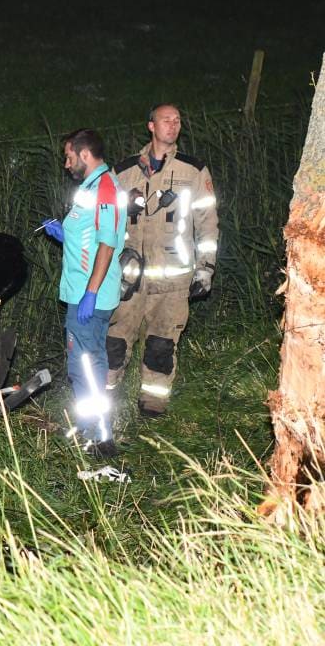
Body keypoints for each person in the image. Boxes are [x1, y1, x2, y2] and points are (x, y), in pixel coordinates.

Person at [105, 104, 219, 418]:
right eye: (166, 120)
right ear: (151, 126)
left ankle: (153, 406)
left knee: (161, 346)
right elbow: (103, 221)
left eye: (178, 120)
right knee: (114, 343)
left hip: (173, 282)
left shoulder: (193, 170)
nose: (173, 124)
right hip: (129, 280)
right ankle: (103, 401)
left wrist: (206, 267)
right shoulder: (125, 171)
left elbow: (207, 222)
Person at [43, 129, 127, 456]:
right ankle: (97, 430)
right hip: (83, 292)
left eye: (69, 156)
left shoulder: (105, 188)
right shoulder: (90, 188)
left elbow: (107, 243)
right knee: (94, 362)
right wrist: (63, 234)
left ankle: (100, 437)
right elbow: (88, 237)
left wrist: (91, 293)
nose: (66, 164)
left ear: (84, 155)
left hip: (89, 296)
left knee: (84, 367)